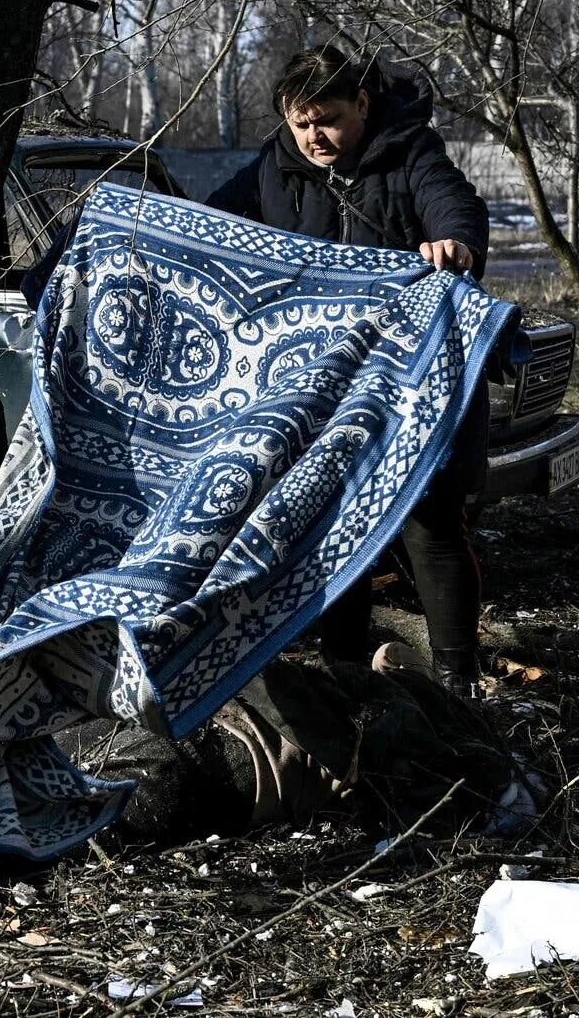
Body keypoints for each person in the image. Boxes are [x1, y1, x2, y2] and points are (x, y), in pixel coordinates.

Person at [0, 654, 516, 951]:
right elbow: (448, 804)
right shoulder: (414, 739)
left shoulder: (318, 674)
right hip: (208, 773)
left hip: (148, 715)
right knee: (14, 838)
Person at [205, 46, 492, 696]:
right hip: (323, 387)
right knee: (335, 525)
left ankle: (458, 678)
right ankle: (344, 676)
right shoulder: (272, 171)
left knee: (431, 522)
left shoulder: (410, 151)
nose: (314, 136)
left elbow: (455, 205)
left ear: (362, 104)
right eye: (301, 123)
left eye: (328, 119)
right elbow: (212, 226)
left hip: (414, 380)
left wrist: (455, 243)